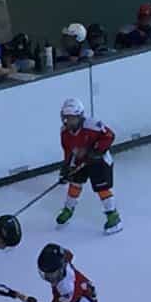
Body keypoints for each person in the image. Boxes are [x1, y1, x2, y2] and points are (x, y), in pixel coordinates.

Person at [56, 97, 121, 234]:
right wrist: (66, 168)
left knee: (101, 188)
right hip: (80, 161)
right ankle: (68, 209)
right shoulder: (64, 132)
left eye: (72, 118)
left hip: (99, 160)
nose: (68, 121)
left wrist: (96, 151)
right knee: (75, 183)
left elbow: (109, 136)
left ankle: (113, 216)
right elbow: (68, 150)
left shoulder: (93, 125)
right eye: (66, 118)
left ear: (80, 116)